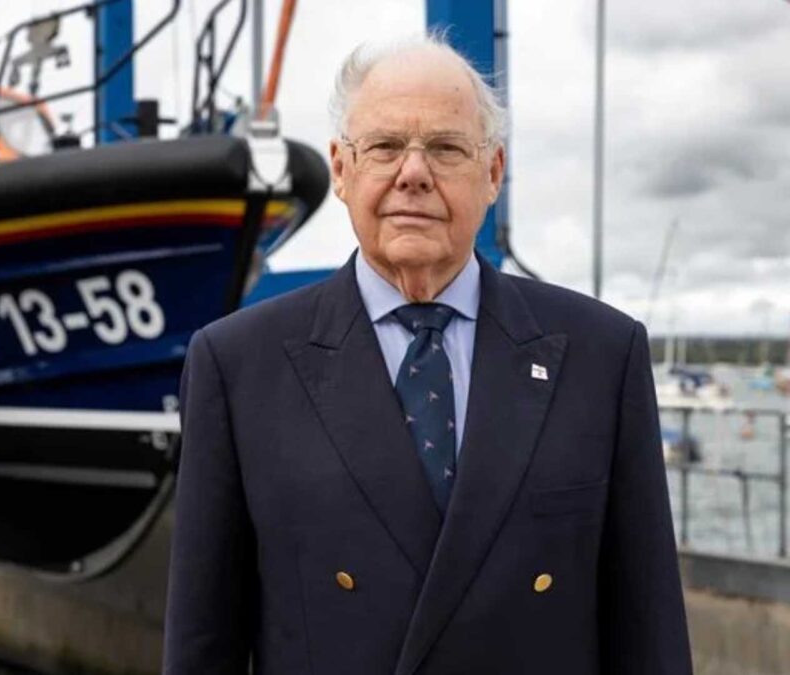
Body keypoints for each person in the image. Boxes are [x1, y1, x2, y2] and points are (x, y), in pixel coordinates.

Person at [163, 34, 692, 675]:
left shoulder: (603, 356)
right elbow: (202, 644)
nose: (413, 173)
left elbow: (651, 634)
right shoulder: (237, 366)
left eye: (445, 148)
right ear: (340, 169)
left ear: (493, 172)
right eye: (385, 147)